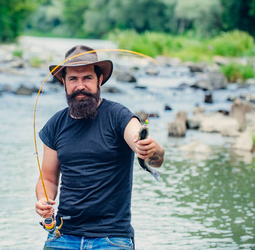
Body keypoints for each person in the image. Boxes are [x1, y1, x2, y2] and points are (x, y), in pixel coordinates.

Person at [35, 45, 164, 249]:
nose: (80, 86)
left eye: (87, 78)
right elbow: (48, 179)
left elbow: (145, 147)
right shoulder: (54, 125)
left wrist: (151, 150)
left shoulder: (119, 116)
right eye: (73, 79)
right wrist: (44, 200)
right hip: (63, 235)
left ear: (100, 80)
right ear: (64, 82)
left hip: (112, 238)